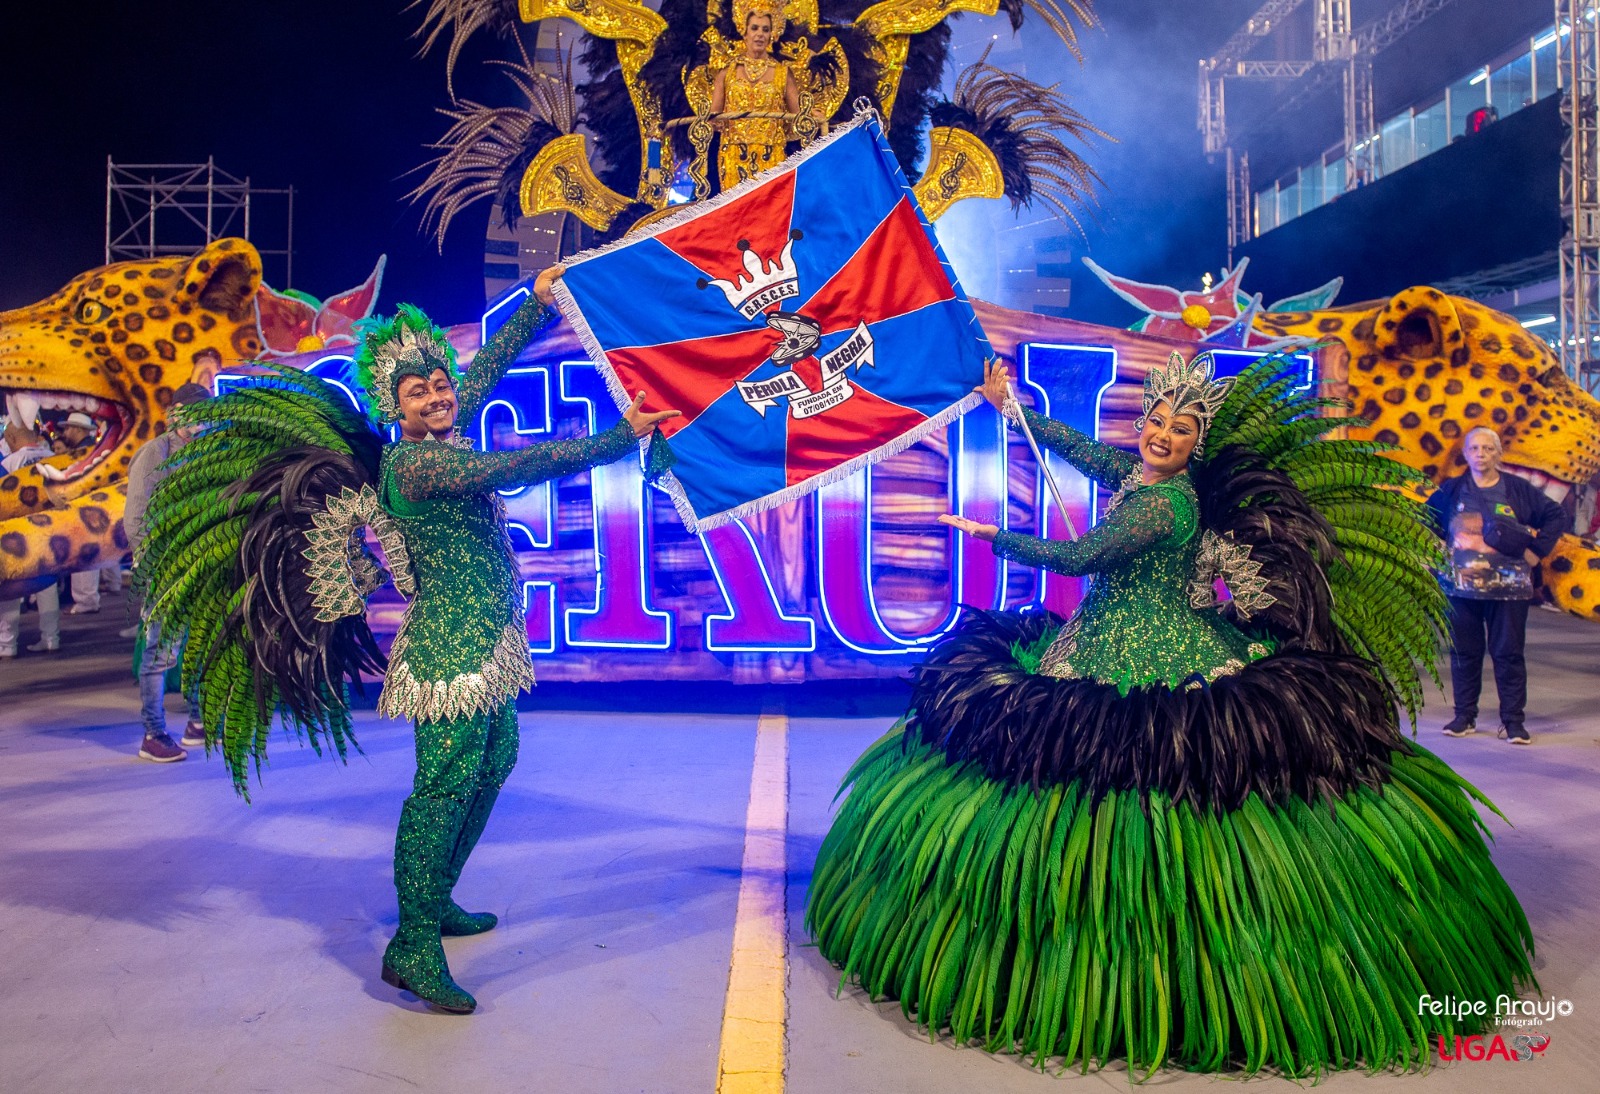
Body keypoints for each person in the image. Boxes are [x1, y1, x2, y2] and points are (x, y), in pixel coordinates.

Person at [805, 354, 1535, 1074]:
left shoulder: (1165, 503)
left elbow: (1082, 558)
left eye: (1180, 430)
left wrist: (990, 535)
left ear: (1195, 444)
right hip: (1099, 639)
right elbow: (1086, 450)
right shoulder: (1143, 476)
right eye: (1156, 421)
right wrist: (1016, 410)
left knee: (1136, 761)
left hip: (1151, 656)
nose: (1161, 435)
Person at [136, 267, 678, 1014]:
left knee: (497, 760)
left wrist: (535, 305)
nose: (437, 393)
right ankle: (412, 944)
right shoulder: (419, 463)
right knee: (441, 789)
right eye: (417, 390)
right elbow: (516, 465)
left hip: (489, 641)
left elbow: (482, 368)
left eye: (438, 383)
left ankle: (440, 898)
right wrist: (617, 439)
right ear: (395, 408)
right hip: (448, 657)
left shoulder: (445, 424)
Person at [1427, 426, 1569, 745]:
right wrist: (1434, 554)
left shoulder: (1517, 490)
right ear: (1465, 454)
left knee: (1508, 654)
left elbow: (1555, 516)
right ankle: (1464, 716)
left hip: (1509, 590)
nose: (1481, 454)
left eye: (1488, 449)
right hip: (1461, 590)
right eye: (1475, 449)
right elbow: (1427, 520)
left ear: (1499, 454)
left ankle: (1513, 722)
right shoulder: (1451, 490)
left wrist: (1536, 552)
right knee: (1464, 652)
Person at [124, 384, 212, 761]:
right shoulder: (153, 454)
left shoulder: (207, 451)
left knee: (198, 645)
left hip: (198, 565)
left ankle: (197, 722)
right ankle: (153, 733)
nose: (196, 423)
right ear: (172, 414)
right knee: (160, 653)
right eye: (189, 414)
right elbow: (136, 520)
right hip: (164, 568)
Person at [709, 0, 800, 190]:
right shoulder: (727, 73)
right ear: (745, 31)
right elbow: (712, 117)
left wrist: (813, 115)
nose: (760, 34)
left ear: (772, 34)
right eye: (755, 28)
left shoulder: (783, 74)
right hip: (733, 154)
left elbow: (799, 118)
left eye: (765, 29)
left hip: (772, 155)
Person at [0, 409, 61, 656]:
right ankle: (51, 638)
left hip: (18, 532)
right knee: (47, 585)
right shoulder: (52, 456)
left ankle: (6, 644)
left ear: (12, 440)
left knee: (12, 587)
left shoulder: (9, 463)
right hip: (48, 529)